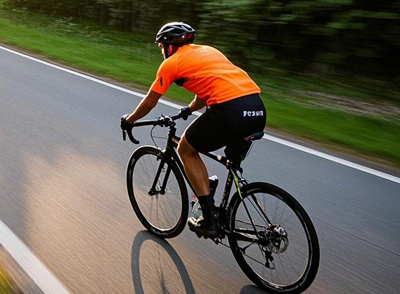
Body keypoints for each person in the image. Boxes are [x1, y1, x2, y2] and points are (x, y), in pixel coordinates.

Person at [121, 22, 266, 238]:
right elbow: (205, 90)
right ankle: (219, 200)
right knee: (231, 161)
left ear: (169, 46)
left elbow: (150, 101)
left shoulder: (171, 64)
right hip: (256, 109)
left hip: (230, 112)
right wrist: (188, 109)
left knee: (186, 149)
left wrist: (130, 120)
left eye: (161, 47)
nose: (162, 51)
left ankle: (209, 221)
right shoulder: (208, 51)